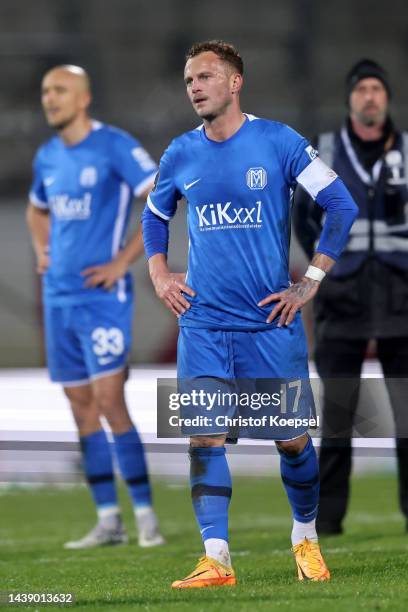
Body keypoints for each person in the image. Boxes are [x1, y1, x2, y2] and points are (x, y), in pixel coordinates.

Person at [142, 40, 358, 587]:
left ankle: (305, 539)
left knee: (291, 440)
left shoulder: (278, 142)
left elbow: (341, 204)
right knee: (204, 438)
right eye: (189, 78)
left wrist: (310, 280)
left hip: (270, 324)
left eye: (206, 77)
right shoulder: (179, 154)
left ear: (235, 83)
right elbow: (153, 216)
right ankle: (217, 558)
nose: (194, 86)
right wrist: (159, 273)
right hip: (204, 325)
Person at [26, 65, 164, 549]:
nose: (49, 99)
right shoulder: (47, 155)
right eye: (45, 91)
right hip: (58, 297)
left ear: (83, 98)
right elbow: (36, 208)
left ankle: (146, 515)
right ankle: (110, 520)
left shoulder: (114, 146)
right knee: (81, 408)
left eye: (59, 90)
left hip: (103, 298)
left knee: (110, 402)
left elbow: (161, 196)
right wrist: (42, 251)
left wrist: (123, 262)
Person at [294, 59, 408, 535]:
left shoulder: (407, 151)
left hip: (402, 302)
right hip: (341, 301)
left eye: (376, 89)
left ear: (386, 98)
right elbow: (302, 217)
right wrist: (327, 268)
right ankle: (330, 520)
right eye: (361, 88)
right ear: (350, 98)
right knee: (337, 419)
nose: (369, 97)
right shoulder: (323, 152)